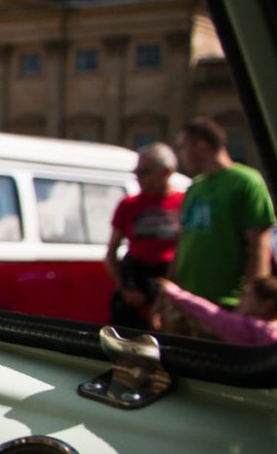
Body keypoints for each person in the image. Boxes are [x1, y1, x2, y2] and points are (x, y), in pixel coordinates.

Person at [168, 117, 274, 309]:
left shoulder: (246, 182)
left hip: (225, 304)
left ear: (201, 145)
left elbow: (259, 246)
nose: (180, 155)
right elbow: (183, 243)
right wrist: (169, 292)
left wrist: (250, 304)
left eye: (183, 147)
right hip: (187, 300)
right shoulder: (195, 187)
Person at [104, 142, 183, 328]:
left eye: (144, 171)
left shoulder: (183, 202)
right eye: (137, 172)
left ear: (167, 171)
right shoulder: (129, 205)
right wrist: (124, 288)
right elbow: (110, 252)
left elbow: (184, 249)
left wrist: (167, 292)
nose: (138, 178)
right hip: (135, 279)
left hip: (168, 280)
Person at [153, 276, 277, 345]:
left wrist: (176, 292)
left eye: (247, 295)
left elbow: (210, 313)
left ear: (266, 305)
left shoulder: (249, 327)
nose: (241, 299)